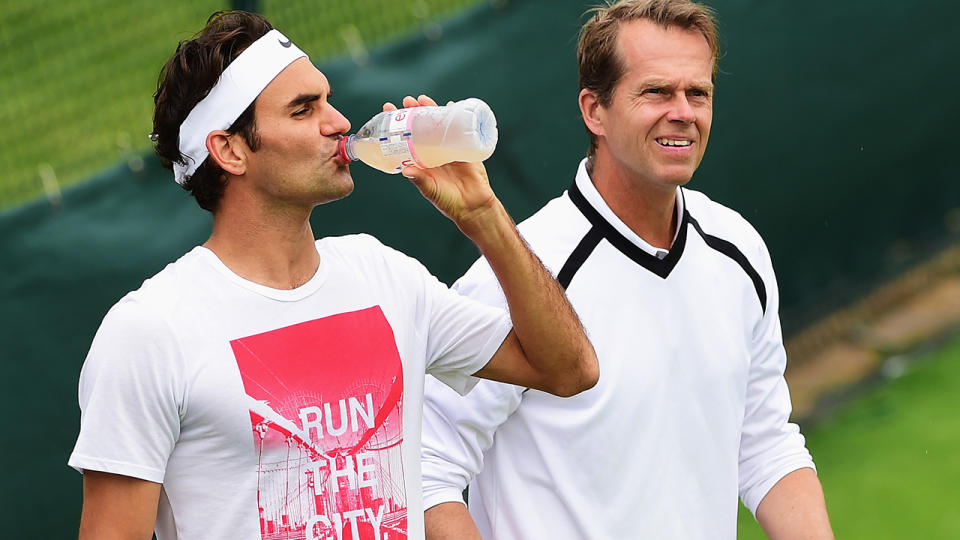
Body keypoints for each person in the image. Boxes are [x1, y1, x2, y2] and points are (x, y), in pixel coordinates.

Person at [68, 11, 598, 540]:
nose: (340, 122)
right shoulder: (149, 332)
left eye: (327, 99)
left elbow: (568, 369)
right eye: (303, 111)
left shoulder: (382, 273)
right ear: (229, 150)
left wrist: (483, 216)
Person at [420, 1, 834, 538]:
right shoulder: (514, 275)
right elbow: (427, 471)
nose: (683, 111)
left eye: (698, 93)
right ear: (595, 110)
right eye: (657, 92)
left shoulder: (739, 250)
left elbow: (765, 441)